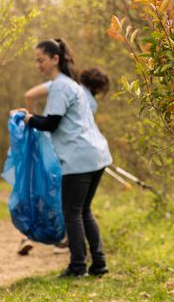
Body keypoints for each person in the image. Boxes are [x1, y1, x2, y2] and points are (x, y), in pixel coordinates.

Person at [12, 39, 112, 277]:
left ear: (55, 59)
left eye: (41, 60)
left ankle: (78, 267)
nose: (38, 65)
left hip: (79, 158)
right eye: (36, 60)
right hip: (97, 154)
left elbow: (51, 123)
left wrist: (26, 118)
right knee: (83, 210)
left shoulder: (60, 86)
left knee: (72, 212)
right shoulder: (73, 85)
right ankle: (99, 264)